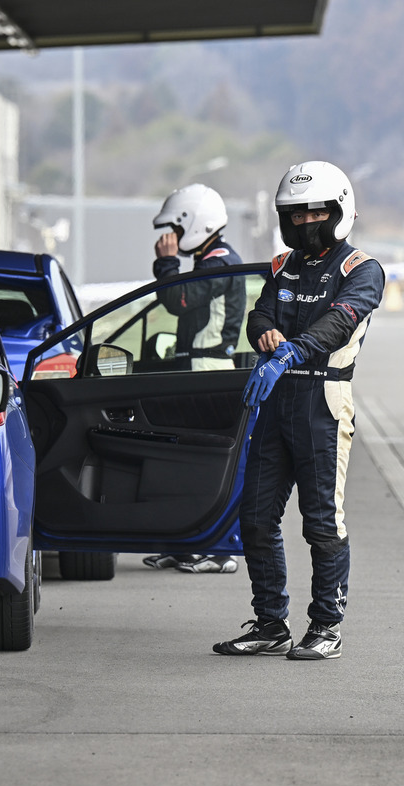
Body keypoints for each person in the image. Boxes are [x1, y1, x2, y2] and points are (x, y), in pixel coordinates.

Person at [211, 161, 385, 660]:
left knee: (322, 521)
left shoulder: (362, 269)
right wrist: (263, 332)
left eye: (317, 211)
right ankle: (270, 623)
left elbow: (341, 319)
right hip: (276, 398)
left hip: (323, 400)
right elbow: (260, 311)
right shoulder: (283, 265)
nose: (307, 221)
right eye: (296, 213)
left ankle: (326, 625)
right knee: (256, 516)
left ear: (339, 211)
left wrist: (291, 350)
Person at [141, 183, 246, 575]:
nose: (171, 238)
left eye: (176, 230)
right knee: (187, 460)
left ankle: (219, 550)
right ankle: (188, 543)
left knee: (207, 463)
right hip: (196, 369)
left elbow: (177, 300)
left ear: (194, 224)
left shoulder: (219, 262)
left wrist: (166, 263)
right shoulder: (210, 260)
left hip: (209, 372)